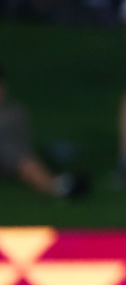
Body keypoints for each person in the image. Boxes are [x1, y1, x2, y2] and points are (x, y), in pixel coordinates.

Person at [0, 66, 85, 198]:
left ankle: (54, 185)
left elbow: (22, 140)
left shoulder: (15, 111)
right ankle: (55, 185)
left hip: (13, 157)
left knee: (12, 150)